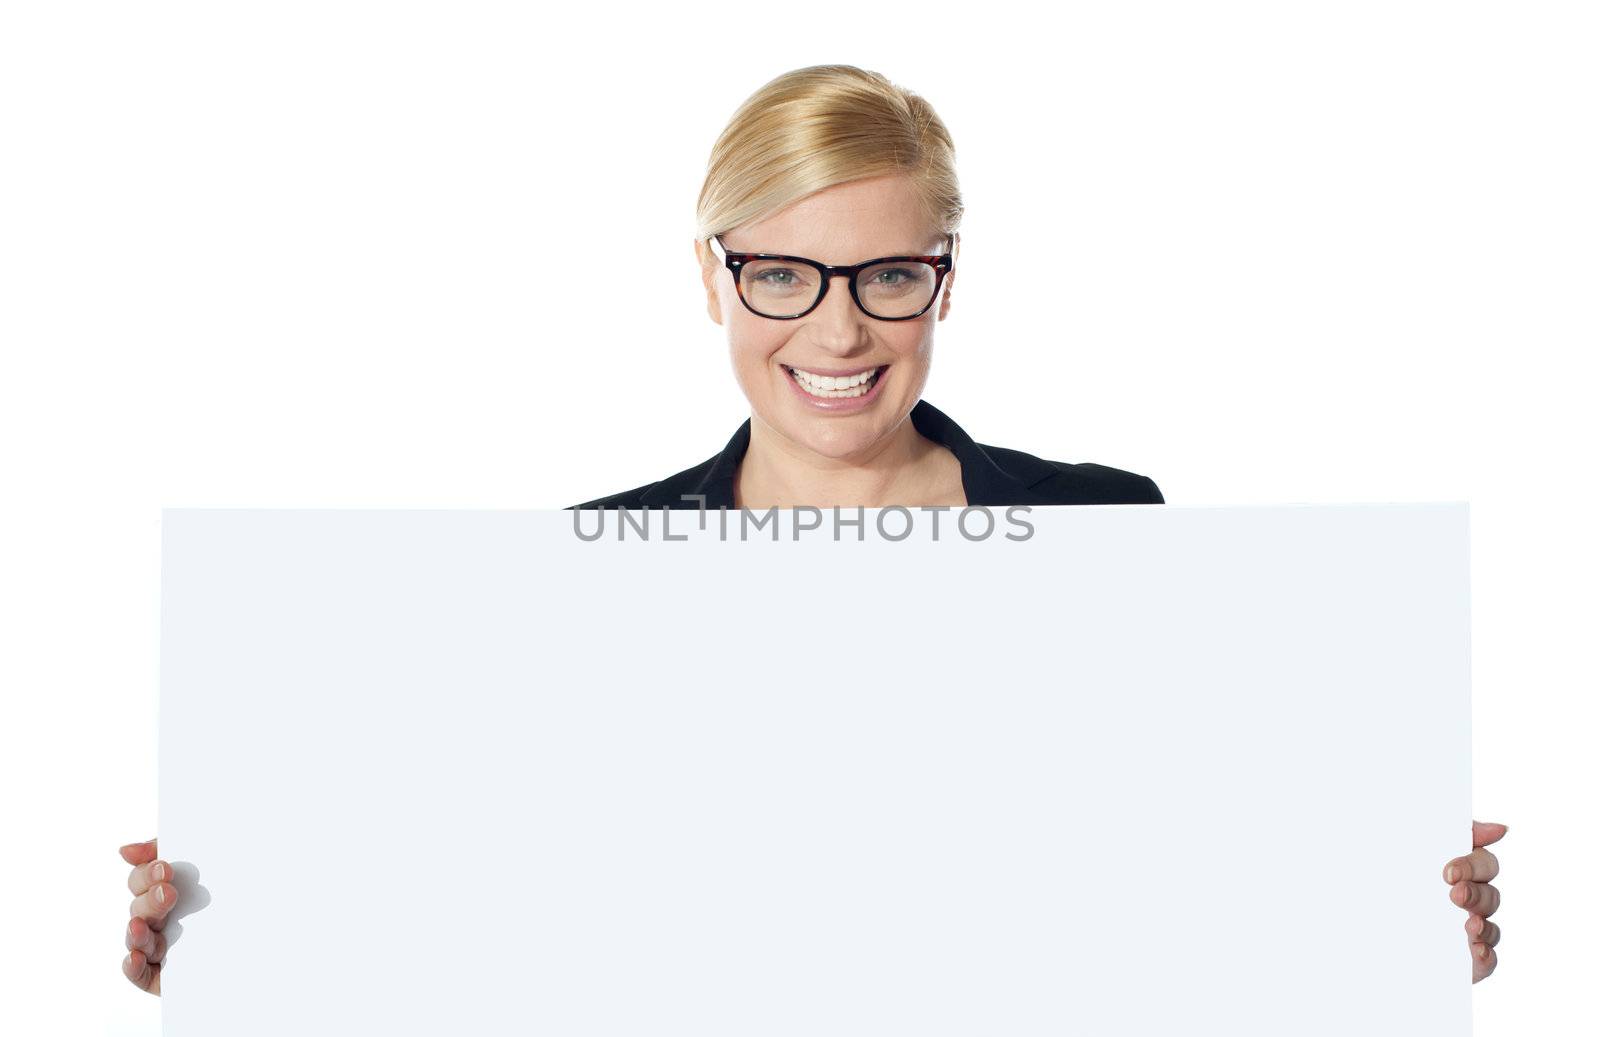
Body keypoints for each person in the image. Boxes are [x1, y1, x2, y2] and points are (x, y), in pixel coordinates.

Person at [120, 63, 1507, 994]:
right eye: (782, 273)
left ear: (945, 283)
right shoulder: (576, 576)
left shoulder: (1108, 529)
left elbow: (1215, 870)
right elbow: (485, 903)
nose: (838, 328)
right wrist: (237, 906)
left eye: (889, 274)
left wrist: (1390, 887)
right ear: (712, 282)